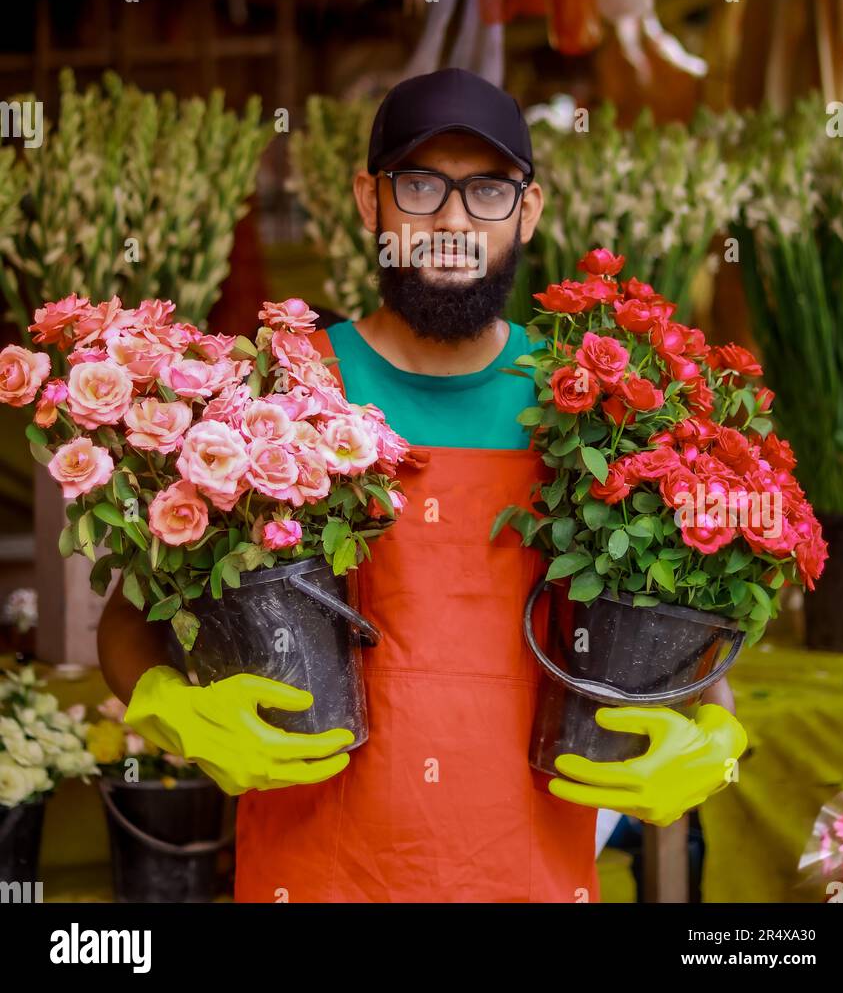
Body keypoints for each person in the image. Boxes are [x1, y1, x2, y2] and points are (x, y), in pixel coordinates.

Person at [98, 68, 746, 903]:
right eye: (420, 185)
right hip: (317, 875)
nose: (450, 219)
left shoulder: (599, 414)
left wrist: (720, 744)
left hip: (529, 878)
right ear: (371, 203)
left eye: (486, 190)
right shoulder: (275, 400)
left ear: (528, 210)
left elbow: (696, 657)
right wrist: (165, 706)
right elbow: (127, 616)